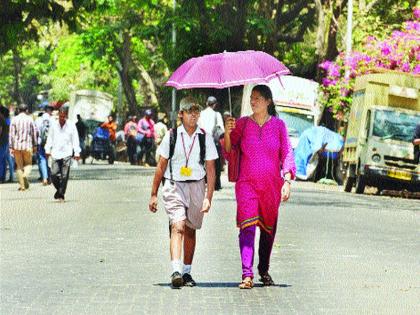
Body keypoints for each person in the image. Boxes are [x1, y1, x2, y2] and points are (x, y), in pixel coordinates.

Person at [223, 85, 296, 289]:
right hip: (246, 185)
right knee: (247, 227)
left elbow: (287, 153)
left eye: (257, 99)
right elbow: (229, 151)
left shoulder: (279, 126)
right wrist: (229, 133)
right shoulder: (243, 124)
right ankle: (247, 274)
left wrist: (287, 181)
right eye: (251, 99)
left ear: (268, 102)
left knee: (268, 231)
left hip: (271, 187)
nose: (252, 102)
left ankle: (263, 268)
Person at [148, 97, 218, 288]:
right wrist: (154, 194)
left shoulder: (205, 137)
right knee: (177, 226)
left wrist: (208, 197)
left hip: (197, 186)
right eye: (189, 110)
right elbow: (161, 166)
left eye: (197, 110)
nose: (194, 114)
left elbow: (211, 169)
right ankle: (176, 270)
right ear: (181, 114)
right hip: (174, 185)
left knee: (190, 229)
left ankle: (187, 272)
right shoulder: (171, 136)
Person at [45, 107, 81, 202]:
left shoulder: (71, 125)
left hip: (67, 152)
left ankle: (61, 195)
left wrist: (76, 152)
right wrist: (47, 149)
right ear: (58, 116)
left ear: (66, 116)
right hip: (55, 152)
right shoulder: (54, 125)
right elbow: (50, 138)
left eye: (63, 117)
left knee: (65, 175)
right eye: (60, 117)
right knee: (53, 174)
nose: (62, 119)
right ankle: (59, 190)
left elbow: (75, 139)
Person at [9, 104, 38, 191]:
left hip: (17, 146)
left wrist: (11, 146)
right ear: (26, 110)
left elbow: (11, 134)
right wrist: (35, 144)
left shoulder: (14, 119)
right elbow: (34, 132)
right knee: (28, 164)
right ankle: (25, 175)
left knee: (19, 166)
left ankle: (22, 187)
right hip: (27, 146)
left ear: (18, 110)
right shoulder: (30, 119)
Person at [198, 96, 225, 190]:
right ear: (215, 105)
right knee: (215, 163)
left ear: (206, 103)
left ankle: (203, 181)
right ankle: (216, 184)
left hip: (202, 140)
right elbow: (221, 128)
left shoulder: (200, 114)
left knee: (202, 161)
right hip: (213, 141)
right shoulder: (217, 114)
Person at [35, 107, 53, 185]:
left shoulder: (38, 120)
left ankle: (44, 178)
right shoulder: (53, 120)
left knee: (42, 160)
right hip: (50, 143)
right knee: (49, 160)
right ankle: (50, 177)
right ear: (50, 112)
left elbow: (35, 132)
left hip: (40, 143)